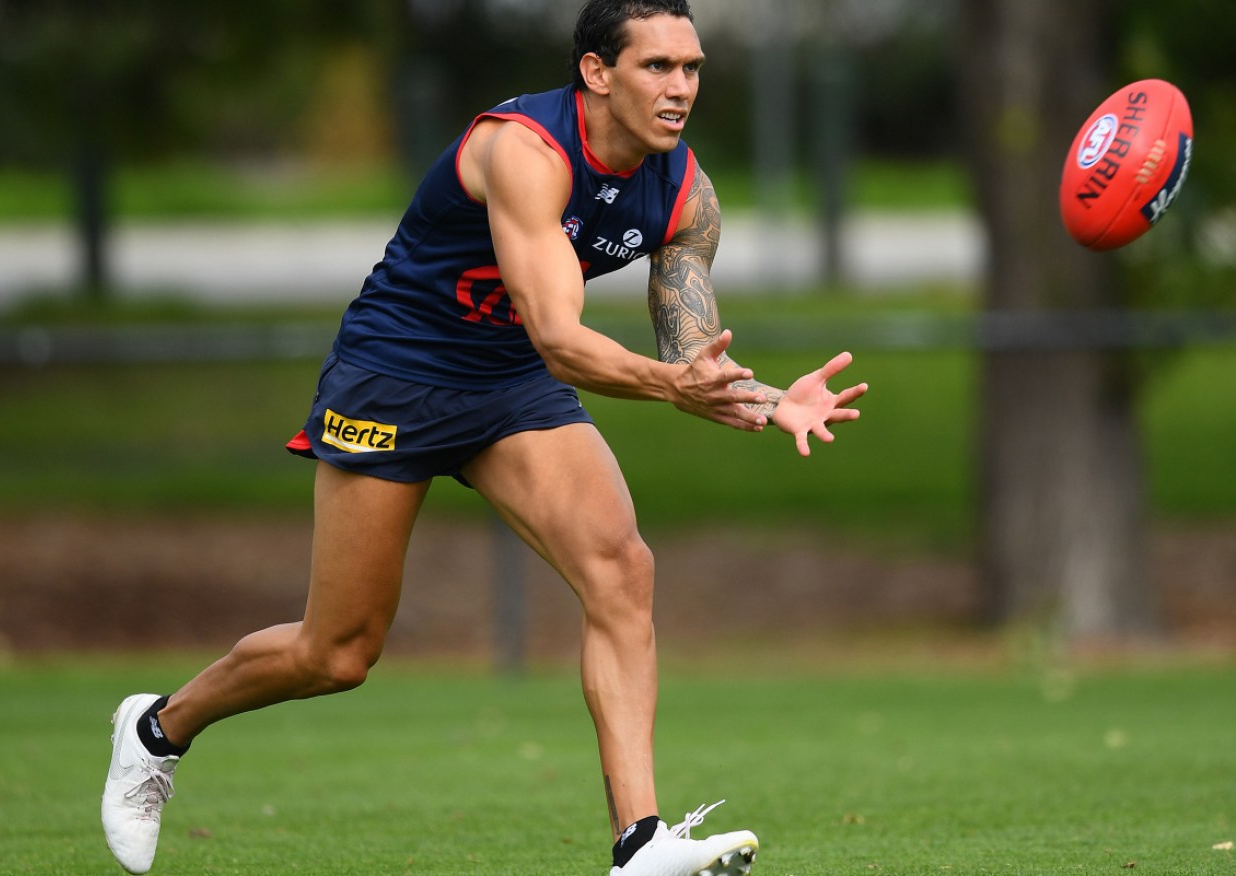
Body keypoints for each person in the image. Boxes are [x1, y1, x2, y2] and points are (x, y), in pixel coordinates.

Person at [101, 1, 868, 874]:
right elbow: (559, 336)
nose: (681, 87)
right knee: (338, 651)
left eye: (691, 67)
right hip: (397, 375)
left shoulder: (684, 192)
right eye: (657, 67)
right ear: (596, 73)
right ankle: (156, 729)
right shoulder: (525, 151)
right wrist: (668, 388)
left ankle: (640, 843)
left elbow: (691, 352)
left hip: (507, 386)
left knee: (621, 568)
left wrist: (769, 401)